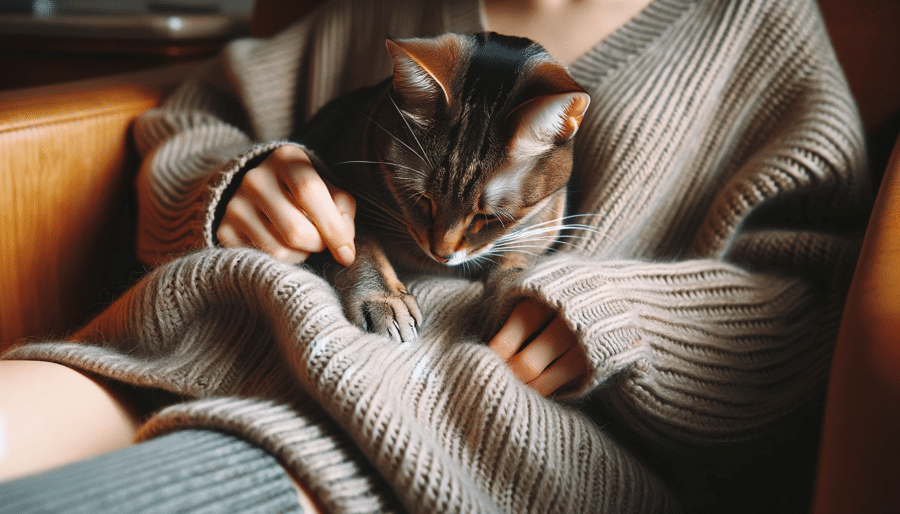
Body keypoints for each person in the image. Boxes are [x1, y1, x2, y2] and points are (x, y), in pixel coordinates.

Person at [0, 0, 871, 512]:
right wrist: (231, 186)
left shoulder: (760, 30)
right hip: (216, 329)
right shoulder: (393, 16)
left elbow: (818, 294)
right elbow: (191, 118)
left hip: (448, 421)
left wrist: (634, 321)